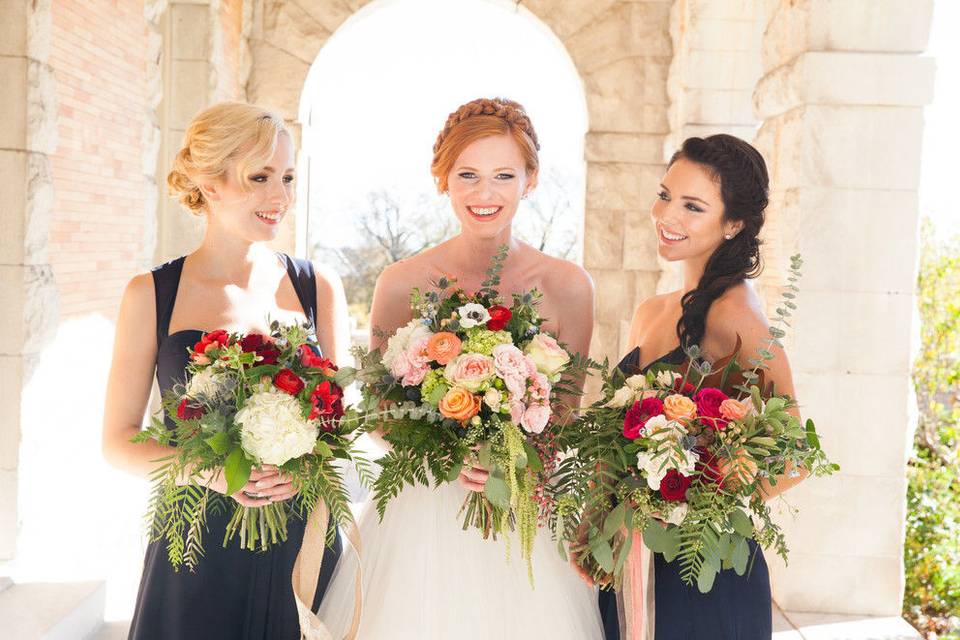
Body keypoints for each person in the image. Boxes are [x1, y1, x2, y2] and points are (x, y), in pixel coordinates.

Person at [318, 97, 604, 639]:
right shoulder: (400, 282)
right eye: (467, 174)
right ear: (442, 178)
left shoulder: (569, 286)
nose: (484, 193)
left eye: (504, 175)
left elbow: (563, 414)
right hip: (421, 512)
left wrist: (508, 460)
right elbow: (379, 413)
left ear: (531, 179)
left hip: (520, 513)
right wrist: (449, 458)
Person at [101, 102, 348, 639]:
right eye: (258, 178)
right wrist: (208, 473)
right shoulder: (152, 295)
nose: (279, 196)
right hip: (195, 548)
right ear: (209, 183)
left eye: (286, 177)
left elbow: (341, 425)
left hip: (301, 544)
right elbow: (118, 442)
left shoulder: (316, 287)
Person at [591, 134, 809, 639]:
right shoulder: (652, 311)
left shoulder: (738, 317)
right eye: (665, 195)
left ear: (733, 225)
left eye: (693, 206)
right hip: (626, 556)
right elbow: (615, 439)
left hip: (702, 572)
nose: (667, 215)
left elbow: (795, 457)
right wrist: (597, 519)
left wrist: (684, 506)